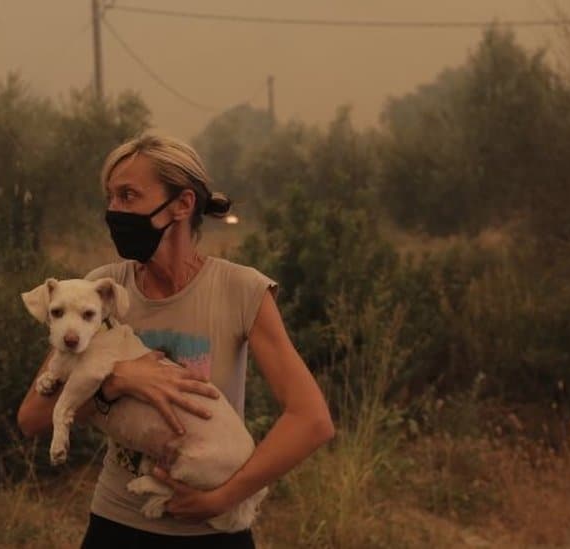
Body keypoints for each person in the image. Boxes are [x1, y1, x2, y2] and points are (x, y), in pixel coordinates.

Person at [17, 133, 334, 548]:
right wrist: (117, 382)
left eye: (129, 195)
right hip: (118, 522)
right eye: (110, 198)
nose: (115, 211)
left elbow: (311, 420)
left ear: (182, 205)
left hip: (215, 531)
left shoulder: (241, 290)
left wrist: (222, 499)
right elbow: (33, 418)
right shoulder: (99, 291)